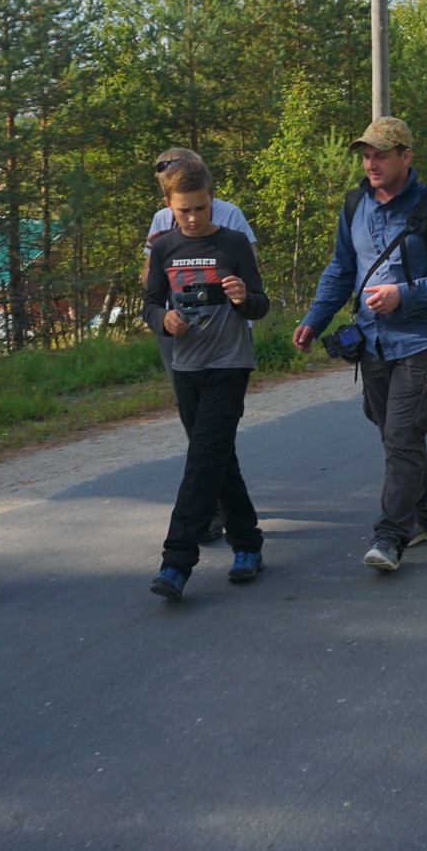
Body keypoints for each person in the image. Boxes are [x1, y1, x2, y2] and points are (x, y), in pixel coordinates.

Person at [291, 117, 427, 573]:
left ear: (405, 157)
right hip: (370, 339)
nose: (371, 162)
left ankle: (390, 535)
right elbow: (341, 268)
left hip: (420, 338)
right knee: (392, 431)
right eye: (366, 154)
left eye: (381, 154)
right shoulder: (354, 205)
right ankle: (426, 516)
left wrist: (402, 294)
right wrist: (315, 319)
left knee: (403, 434)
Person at [142, 160, 271, 600]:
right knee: (217, 456)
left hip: (230, 363)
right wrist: (166, 320)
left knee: (202, 457)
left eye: (201, 208)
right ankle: (248, 544)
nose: (194, 218)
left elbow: (260, 304)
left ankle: (176, 561)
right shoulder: (163, 248)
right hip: (187, 366)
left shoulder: (233, 243)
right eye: (184, 211)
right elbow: (150, 306)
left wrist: (241, 299)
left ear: (212, 200)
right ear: (168, 206)